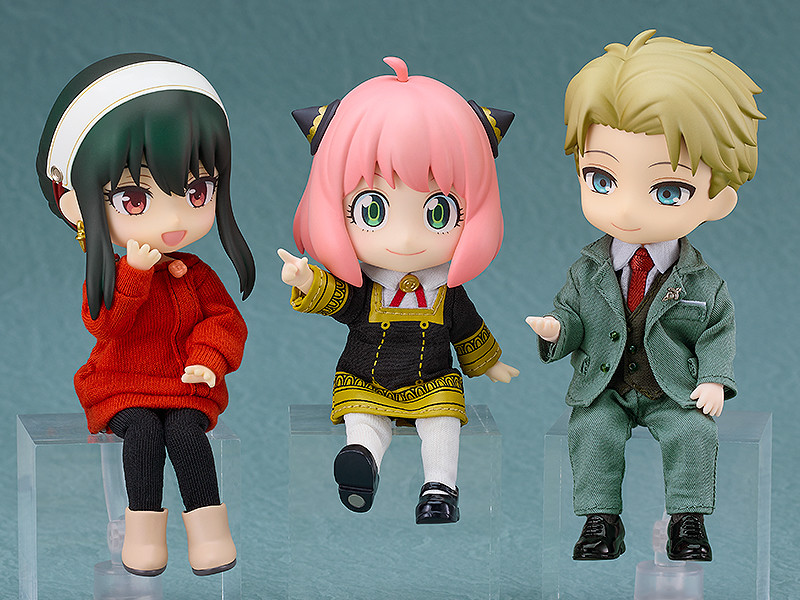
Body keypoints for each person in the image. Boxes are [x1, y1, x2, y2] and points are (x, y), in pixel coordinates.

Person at [527, 30, 763, 561]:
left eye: (668, 190)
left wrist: (714, 380)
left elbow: (717, 330)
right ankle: (600, 522)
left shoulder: (702, 282)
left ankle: (687, 522)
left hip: (672, 390)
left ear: (719, 200)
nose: (628, 210)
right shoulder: (588, 269)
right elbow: (573, 315)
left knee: (693, 435)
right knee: (592, 432)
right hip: (605, 387)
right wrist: (557, 331)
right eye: (602, 179)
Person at [36, 54, 255, 576]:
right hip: (122, 386)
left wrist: (208, 360)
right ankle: (142, 534)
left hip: (182, 385)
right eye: (135, 198)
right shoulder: (112, 273)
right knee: (141, 435)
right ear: (77, 205)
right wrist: (133, 274)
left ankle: (209, 532)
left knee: (187, 434)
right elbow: (105, 324)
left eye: (197, 191)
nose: (175, 217)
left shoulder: (195, 273)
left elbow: (224, 320)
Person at [279, 57, 518, 523]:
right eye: (372, 211)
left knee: (443, 423)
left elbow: (467, 326)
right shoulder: (366, 286)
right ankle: (362, 463)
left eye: (438, 212)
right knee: (364, 421)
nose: (406, 239)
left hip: (432, 382)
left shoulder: (447, 291)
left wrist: (488, 362)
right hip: (366, 379)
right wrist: (308, 281)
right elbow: (340, 300)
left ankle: (439, 489)